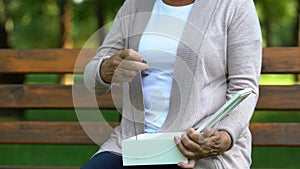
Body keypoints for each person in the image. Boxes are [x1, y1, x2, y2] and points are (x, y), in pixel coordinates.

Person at [82, 0, 262, 168]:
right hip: (133, 148)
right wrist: (105, 69)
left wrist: (223, 137)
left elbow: (245, 88)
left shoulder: (234, 5)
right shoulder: (135, 5)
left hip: (196, 150)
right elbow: (93, 76)